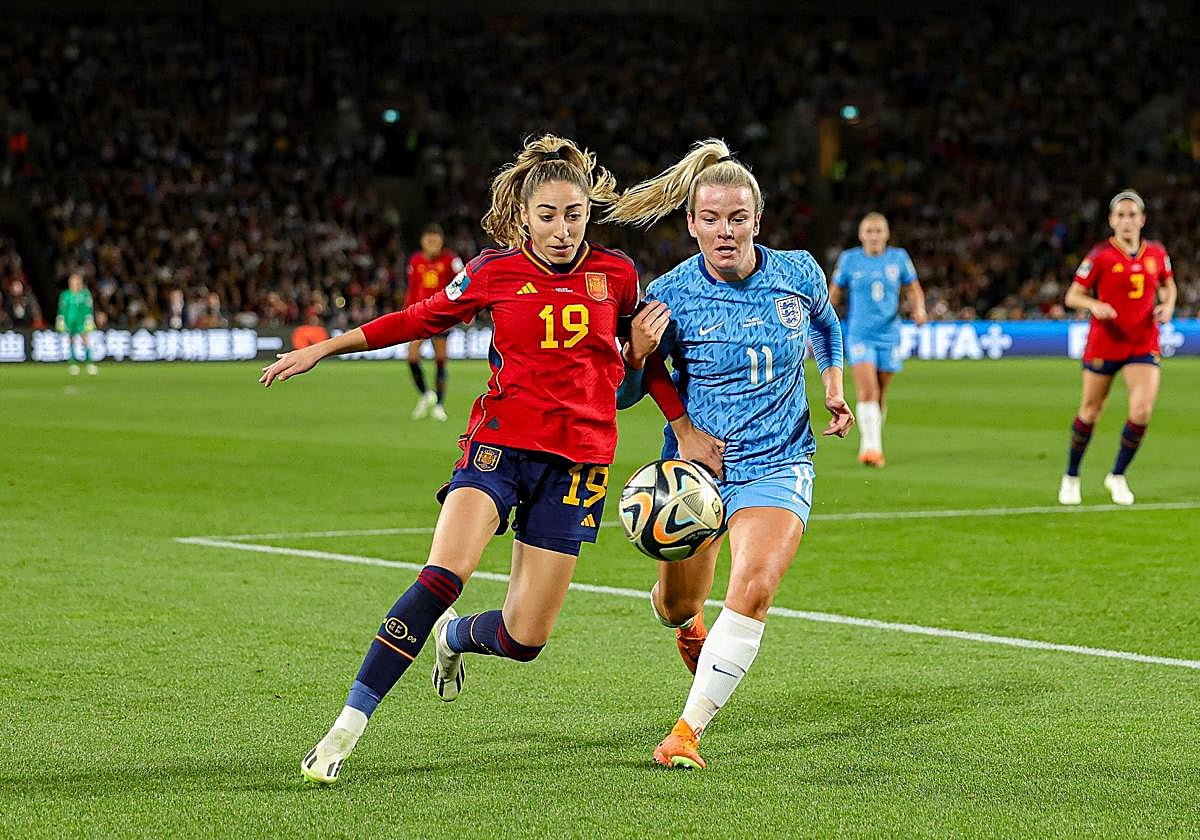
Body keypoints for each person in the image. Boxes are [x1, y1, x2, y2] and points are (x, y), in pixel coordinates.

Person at [259, 134, 719, 784]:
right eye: (549, 216)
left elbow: (639, 372)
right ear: (522, 216)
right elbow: (419, 319)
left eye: (575, 214)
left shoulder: (616, 275)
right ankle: (345, 728)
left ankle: (454, 638)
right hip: (498, 448)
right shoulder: (493, 272)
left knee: (525, 639)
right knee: (443, 574)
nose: (562, 230)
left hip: (580, 465)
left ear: (589, 212)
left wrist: (679, 420)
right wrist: (325, 347)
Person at [606, 139, 854, 770]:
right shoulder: (668, 295)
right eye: (710, 219)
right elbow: (629, 392)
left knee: (755, 585)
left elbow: (826, 325)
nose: (724, 231)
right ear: (691, 224)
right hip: (696, 475)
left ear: (757, 219)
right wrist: (636, 354)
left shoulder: (798, 272)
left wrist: (832, 385)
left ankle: (684, 733)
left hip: (780, 461)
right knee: (678, 606)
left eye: (737, 218)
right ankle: (689, 628)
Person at [1058, 189, 1176, 506]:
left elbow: (1168, 284)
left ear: (1142, 220)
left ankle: (1118, 475)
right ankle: (1072, 475)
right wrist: (1094, 305)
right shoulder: (1100, 256)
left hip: (1142, 340)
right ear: (1112, 221)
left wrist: (1168, 305)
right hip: (1105, 341)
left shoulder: (1156, 254)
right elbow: (1072, 296)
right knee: (1091, 410)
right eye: (1120, 216)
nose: (1126, 221)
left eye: (1132, 215)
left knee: (1142, 411)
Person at [828, 212, 927, 467]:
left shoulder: (899, 258)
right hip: (860, 333)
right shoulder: (849, 260)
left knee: (881, 393)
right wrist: (822, 319)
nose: (873, 236)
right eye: (869, 231)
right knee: (868, 390)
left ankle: (872, 441)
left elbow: (913, 287)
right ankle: (871, 448)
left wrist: (919, 308)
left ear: (887, 234)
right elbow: (835, 292)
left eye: (878, 231)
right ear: (861, 235)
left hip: (890, 334)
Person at [405, 223, 464, 421]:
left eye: (435, 240)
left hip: (442, 316)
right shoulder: (415, 260)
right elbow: (412, 289)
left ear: (441, 241)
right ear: (423, 241)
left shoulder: (451, 260)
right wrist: (406, 312)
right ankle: (425, 394)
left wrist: (462, 310)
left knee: (440, 360)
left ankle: (439, 404)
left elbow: (464, 283)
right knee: (412, 357)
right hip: (419, 315)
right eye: (428, 240)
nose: (432, 244)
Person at [56, 270, 98, 376]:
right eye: (73, 281)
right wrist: (61, 319)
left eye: (77, 281)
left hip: (81, 320)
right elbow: (62, 309)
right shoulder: (65, 295)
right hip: (69, 321)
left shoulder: (85, 294)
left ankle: (89, 362)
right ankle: (73, 363)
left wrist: (89, 319)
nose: (75, 283)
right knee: (71, 340)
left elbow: (89, 308)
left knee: (85, 340)